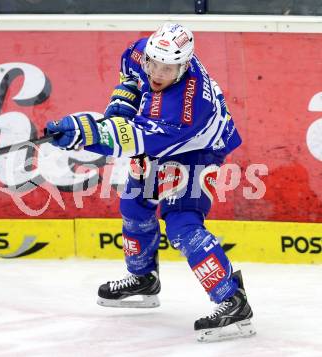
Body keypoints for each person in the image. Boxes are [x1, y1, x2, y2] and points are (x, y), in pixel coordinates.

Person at [46, 23, 255, 342]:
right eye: (153, 63)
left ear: (184, 66)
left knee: (182, 224)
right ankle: (143, 278)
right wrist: (119, 109)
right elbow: (129, 79)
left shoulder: (187, 106)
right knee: (134, 203)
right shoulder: (139, 51)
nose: (156, 72)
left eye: (167, 68)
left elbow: (129, 139)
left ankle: (232, 300)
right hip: (155, 135)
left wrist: (83, 131)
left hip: (196, 148)